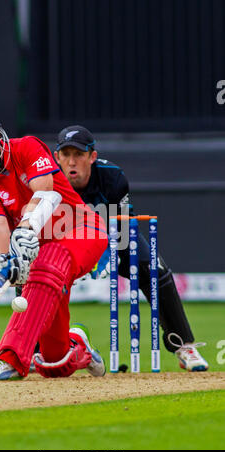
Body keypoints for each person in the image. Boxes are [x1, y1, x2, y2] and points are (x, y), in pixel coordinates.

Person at [0, 113, 108, 380]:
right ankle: (79, 347)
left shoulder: (26, 147)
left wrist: (25, 228)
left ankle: (9, 357)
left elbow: (46, 192)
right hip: (43, 257)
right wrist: (6, 260)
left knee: (46, 261)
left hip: (82, 229)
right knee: (54, 363)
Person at [54, 125, 209, 372]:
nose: (72, 161)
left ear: (92, 156)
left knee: (155, 271)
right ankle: (41, 350)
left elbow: (122, 230)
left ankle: (183, 345)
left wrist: (103, 256)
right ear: (57, 157)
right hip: (66, 240)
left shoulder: (113, 177)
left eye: (79, 155)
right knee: (39, 276)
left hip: (118, 235)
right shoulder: (49, 180)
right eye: (66, 154)